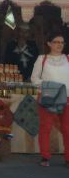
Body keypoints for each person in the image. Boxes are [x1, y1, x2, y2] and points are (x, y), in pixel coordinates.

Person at [30, 32, 69, 167]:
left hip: (67, 97)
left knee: (67, 128)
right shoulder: (42, 59)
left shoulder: (68, 59)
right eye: (56, 42)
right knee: (45, 127)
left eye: (62, 42)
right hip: (48, 96)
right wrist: (51, 87)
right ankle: (45, 157)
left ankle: (68, 158)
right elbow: (34, 79)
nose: (59, 45)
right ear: (49, 44)